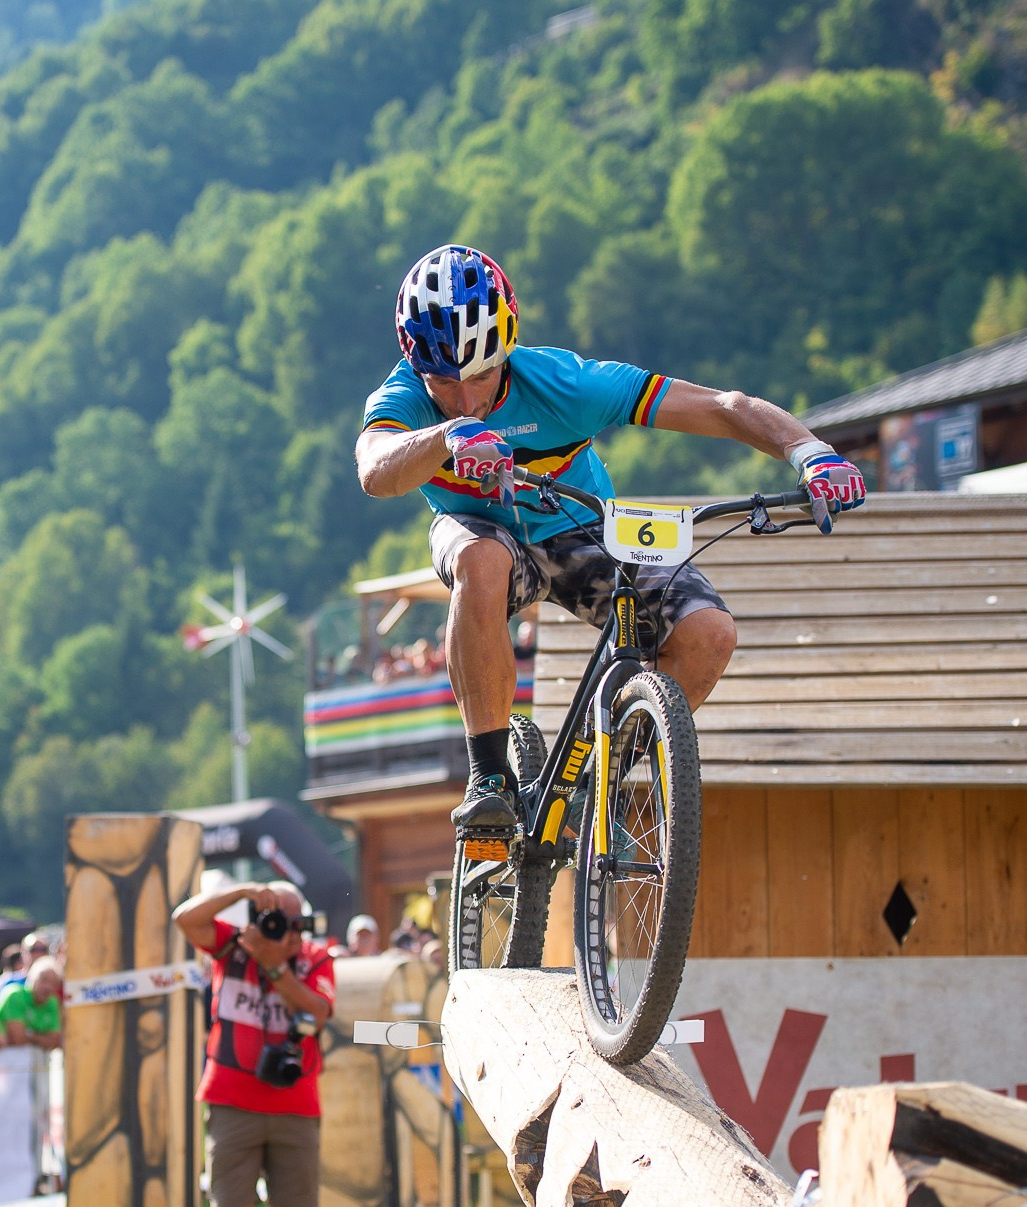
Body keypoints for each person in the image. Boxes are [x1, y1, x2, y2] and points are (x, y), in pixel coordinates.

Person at [356, 244, 866, 834]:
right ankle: (490, 780)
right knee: (481, 558)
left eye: (483, 374)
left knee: (709, 633)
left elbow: (722, 408)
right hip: (480, 531)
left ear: (508, 350)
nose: (469, 399)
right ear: (417, 365)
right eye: (446, 382)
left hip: (579, 527)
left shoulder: (565, 383)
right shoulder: (404, 397)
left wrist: (809, 450)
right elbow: (375, 469)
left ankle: (602, 777)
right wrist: (448, 435)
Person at [173, 880, 335, 1207]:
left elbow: (318, 1011)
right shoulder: (233, 947)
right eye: (274, 919)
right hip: (231, 1099)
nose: (283, 931)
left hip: (296, 1104)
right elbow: (184, 919)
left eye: (291, 922)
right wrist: (240, 891)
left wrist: (275, 967)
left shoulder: (316, 959)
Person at [0, 959, 62, 1051]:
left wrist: (30, 1036)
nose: (48, 987)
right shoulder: (15, 996)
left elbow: (54, 1041)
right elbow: (18, 1039)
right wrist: (42, 1038)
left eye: (53, 983)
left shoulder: (53, 1002)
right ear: (32, 978)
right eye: (43, 980)